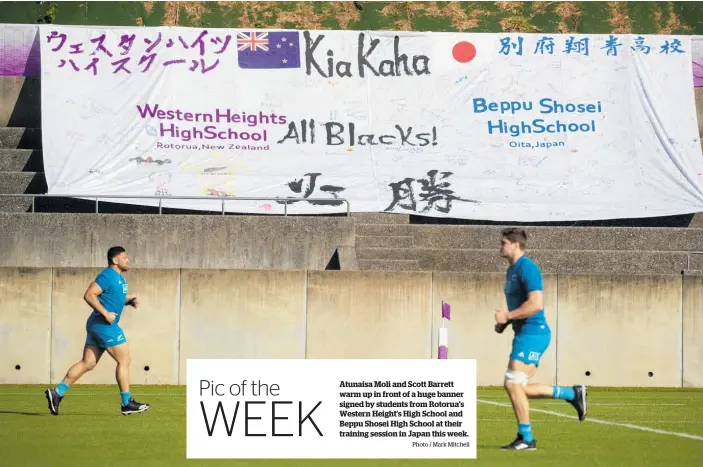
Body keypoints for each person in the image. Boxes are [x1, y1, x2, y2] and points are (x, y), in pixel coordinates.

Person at [494, 228, 586, 451]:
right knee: (518, 387)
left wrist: (507, 316)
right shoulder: (511, 271)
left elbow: (536, 304)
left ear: (516, 245)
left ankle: (526, 439)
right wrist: (506, 322)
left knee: (512, 382)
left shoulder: (528, 267)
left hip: (534, 332)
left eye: (504, 242)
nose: (501, 246)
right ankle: (571, 393)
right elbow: (521, 305)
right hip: (524, 332)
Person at [45, 246, 150, 416]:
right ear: (115, 260)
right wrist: (106, 313)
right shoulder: (107, 275)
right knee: (124, 360)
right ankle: (126, 403)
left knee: (88, 363)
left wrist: (129, 300)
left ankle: (57, 392)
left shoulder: (119, 279)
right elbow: (89, 294)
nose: (128, 260)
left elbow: (113, 298)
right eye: (125, 257)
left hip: (97, 325)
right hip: (104, 326)